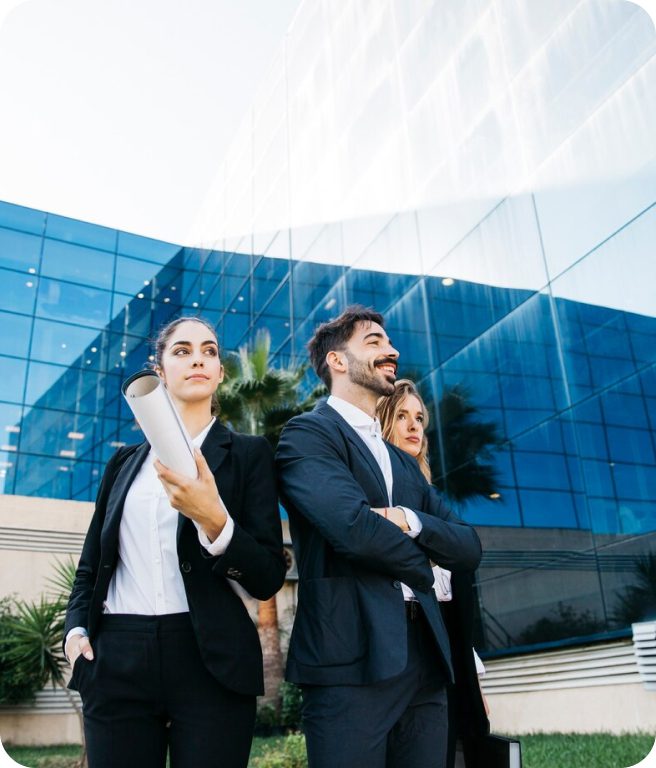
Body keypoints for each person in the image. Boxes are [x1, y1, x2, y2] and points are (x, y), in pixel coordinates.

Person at [64, 316, 286, 768]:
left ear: (220, 372)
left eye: (209, 351)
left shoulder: (248, 454)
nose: (198, 359)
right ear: (161, 371)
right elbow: (92, 564)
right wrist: (75, 631)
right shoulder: (123, 463)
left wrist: (215, 521)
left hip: (210, 659)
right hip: (117, 655)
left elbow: (267, 576)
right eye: (182, 351)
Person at [276, 305, 482, 768]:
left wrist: (411, 520)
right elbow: (353, 529)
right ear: (337, 361)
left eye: (389, 343)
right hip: (349, 661)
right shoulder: (308, 435)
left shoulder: (406, 463)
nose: (391, 351)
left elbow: (469, 547)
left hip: (426, 664)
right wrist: (427, 568)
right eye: (374, 342)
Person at [376, 379, 490, 768]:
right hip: (398, 661)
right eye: (402, 416)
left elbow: (457, 608)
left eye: (420, 418)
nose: (414, 426)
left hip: (449, 667)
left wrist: (472, 676)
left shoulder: (436, 505)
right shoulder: (376, 502)